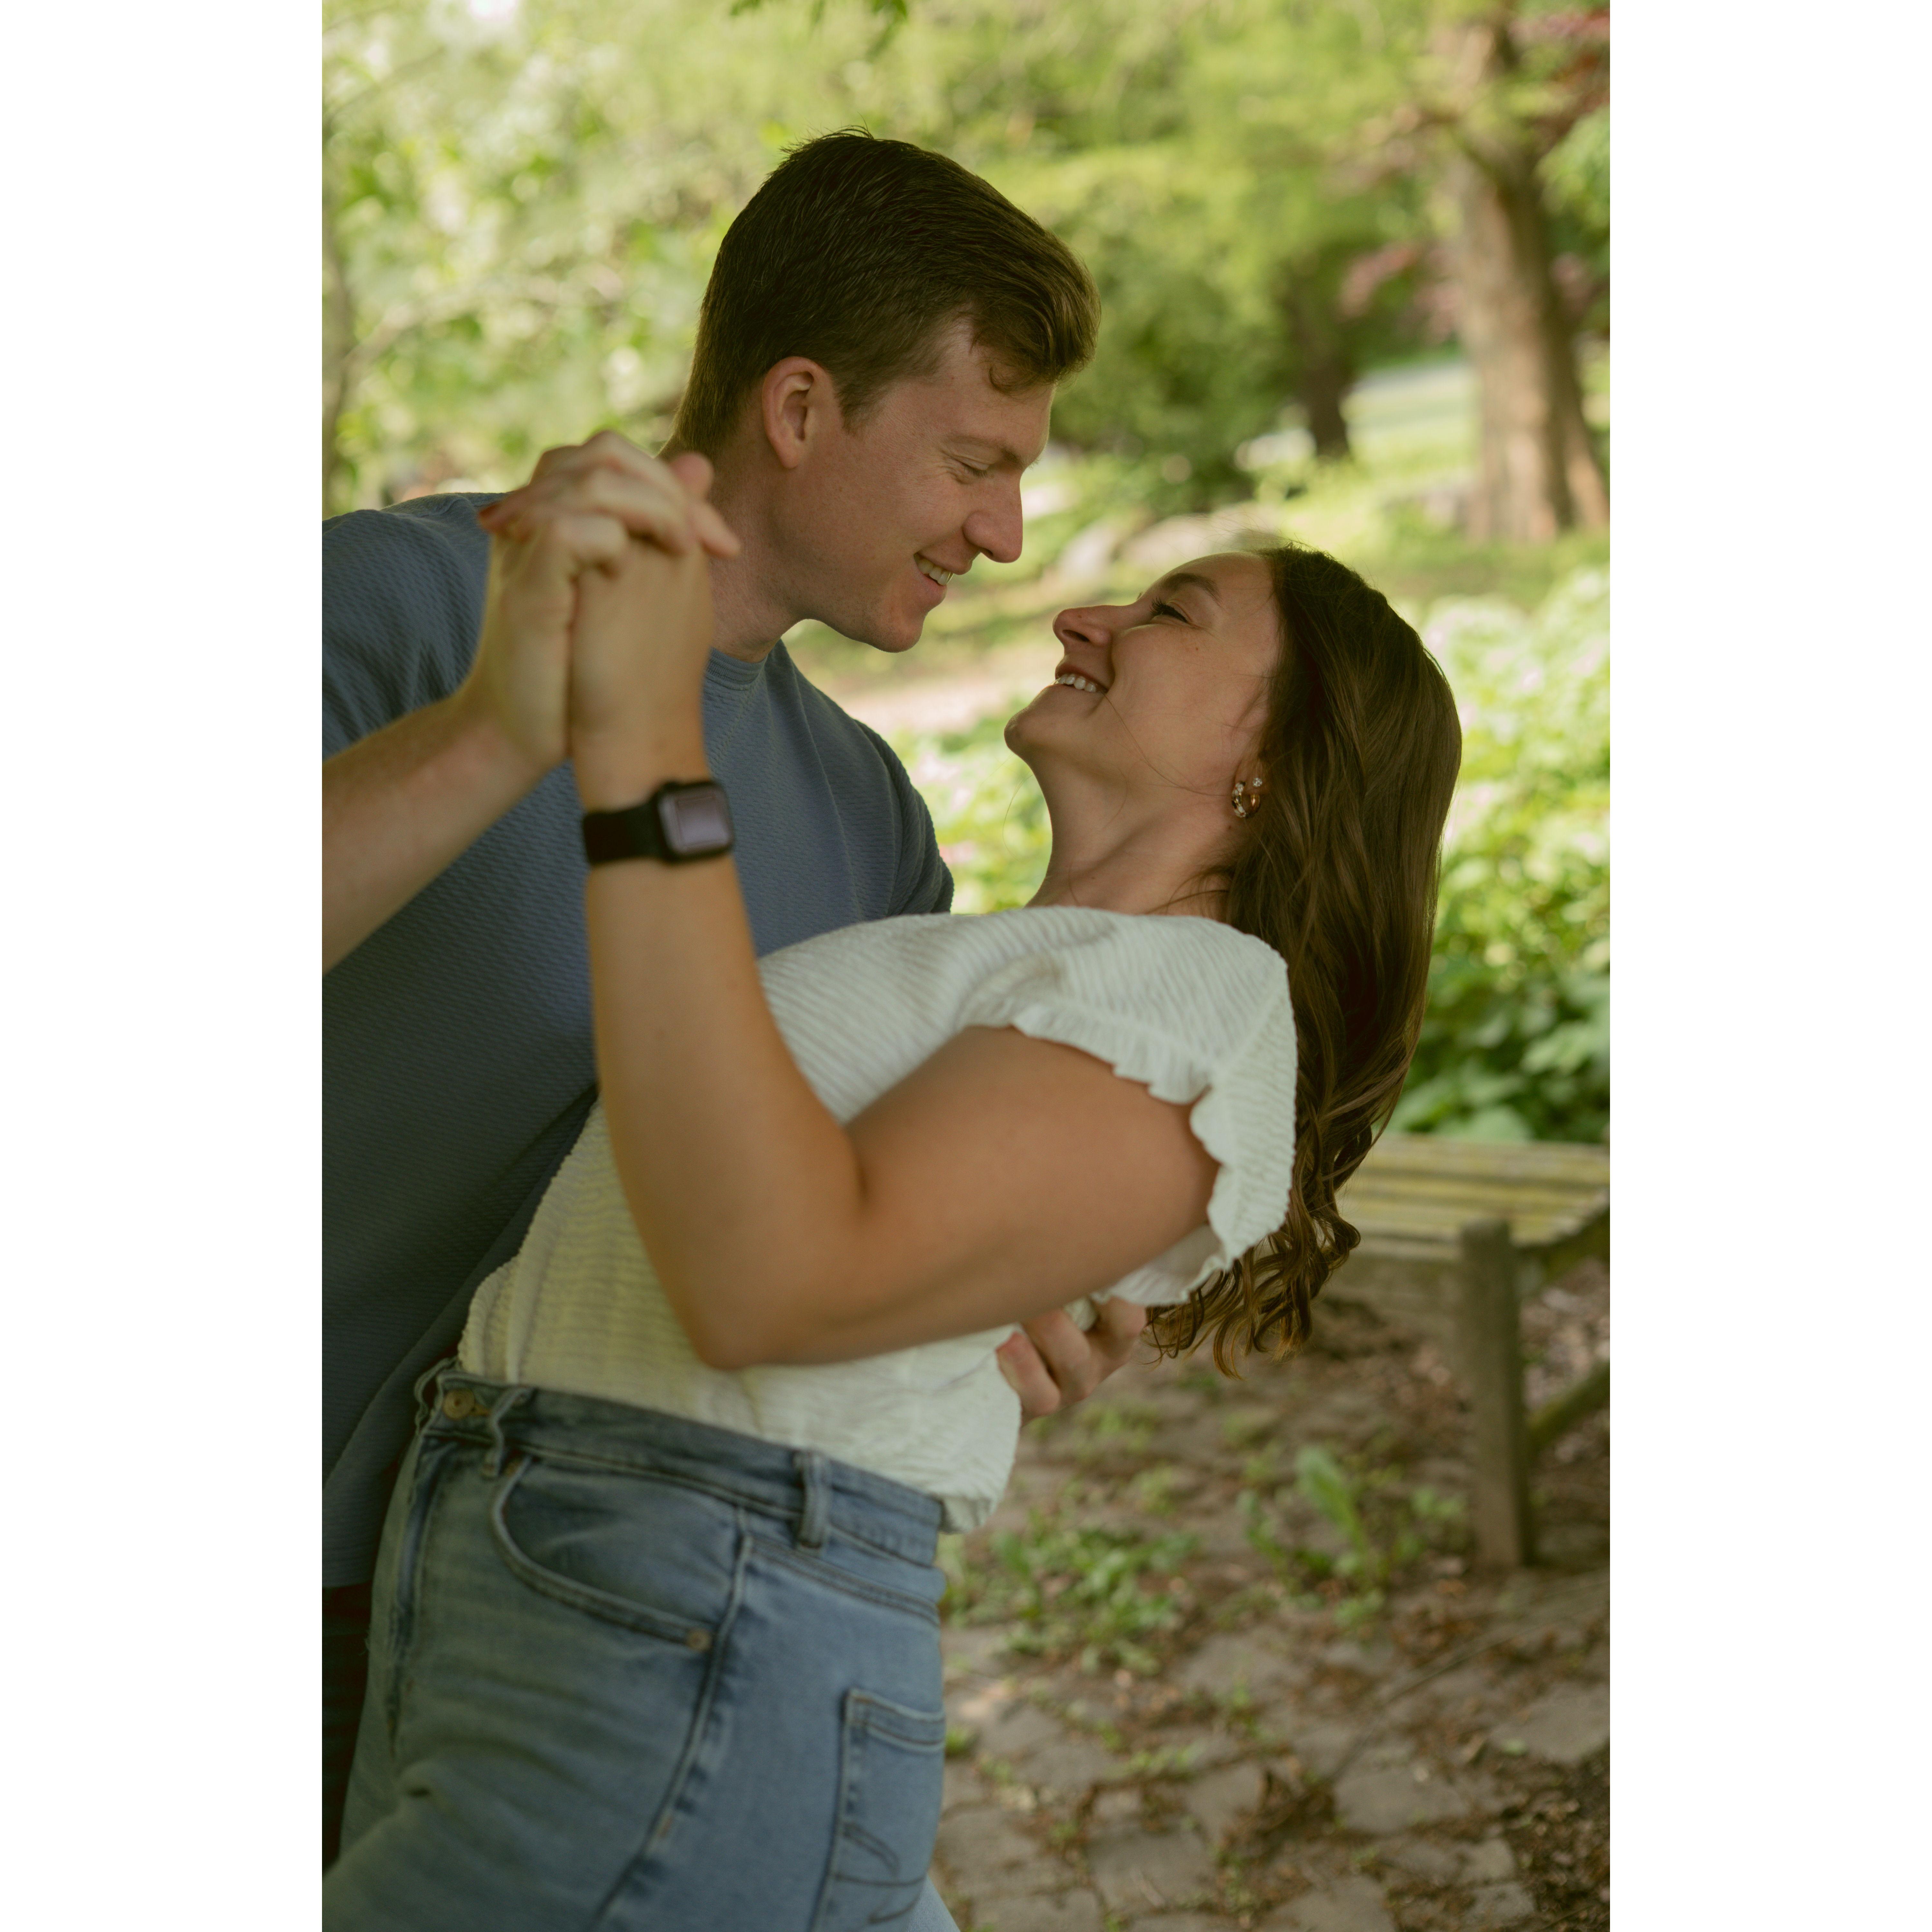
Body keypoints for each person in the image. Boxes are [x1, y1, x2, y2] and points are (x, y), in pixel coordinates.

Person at [323, 477, 1464, 1926]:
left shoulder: (1204, 1003)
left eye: (1172, 613)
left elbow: (775, 1285)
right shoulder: (989, 963)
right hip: (536, 1591)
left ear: (1276, 758)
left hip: (674, 1615)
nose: (1080, 612)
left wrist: (645, 748)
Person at [322, 129, 1141, 1909]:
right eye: (974, 462)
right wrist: (498, 729)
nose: (1005, 533)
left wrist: (991, 1296)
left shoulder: (870, 820)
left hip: (566, 1623)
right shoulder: (403, 601)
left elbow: (822, 1223)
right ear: (799, 408)